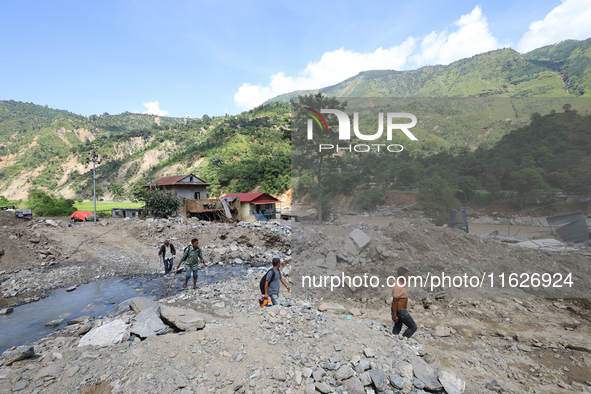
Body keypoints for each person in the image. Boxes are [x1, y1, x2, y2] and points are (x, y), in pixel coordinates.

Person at [391, 266, 417, 338]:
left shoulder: (400, 283)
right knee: (413, 327)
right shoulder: (398, 286)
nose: (408, 277)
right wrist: (394, 315)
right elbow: (395, 301)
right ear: (403, 276)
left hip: (401, 309)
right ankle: (403, 339)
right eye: (407, 275)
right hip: (400, 311)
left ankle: (394, 338)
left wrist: (405, 304)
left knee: (398, 326)